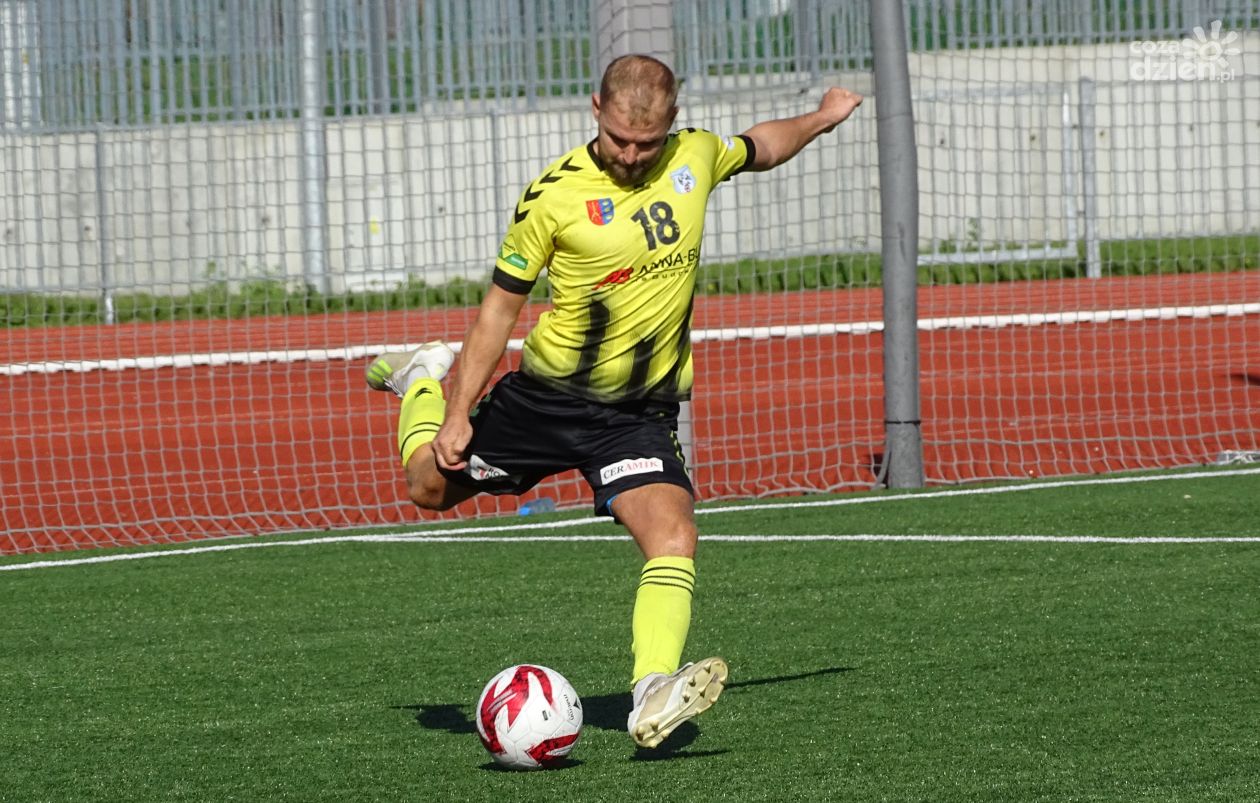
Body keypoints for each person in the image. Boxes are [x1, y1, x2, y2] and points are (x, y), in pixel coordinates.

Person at [367, 54, 862, 749]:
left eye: (647, 143)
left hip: (635, 416)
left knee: (674, 535)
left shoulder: (695, 155)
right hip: (544, 403)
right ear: (595, 108)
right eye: (620, 140)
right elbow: (499, 311)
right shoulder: (553, 196)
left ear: (672, 121)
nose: (631, 155)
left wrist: (821, 118)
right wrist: (453, 410)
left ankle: (651, 690)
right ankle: (419, 376)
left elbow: (762, 146)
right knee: (426, 486)